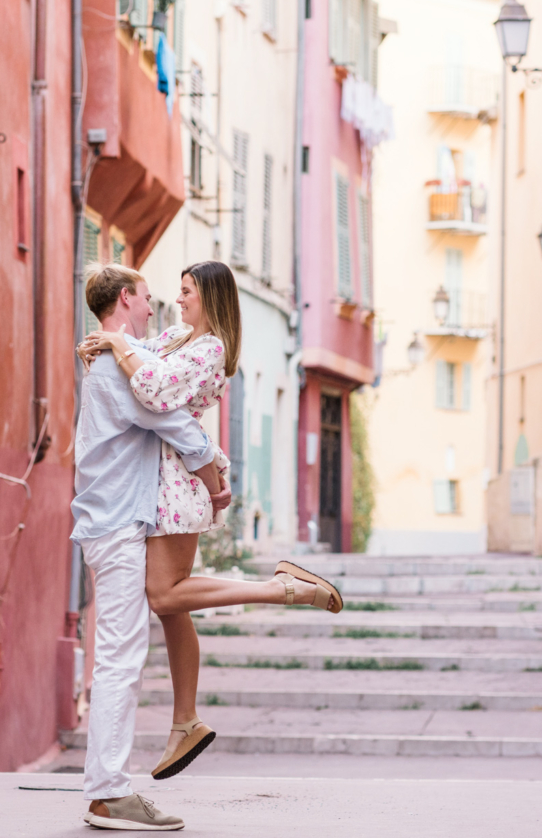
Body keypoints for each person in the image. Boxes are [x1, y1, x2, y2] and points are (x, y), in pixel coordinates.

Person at [79, 261, 343, 786]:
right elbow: (145, 358)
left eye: (186, 292)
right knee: (174, 608)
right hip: (158, 481)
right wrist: (112, 344)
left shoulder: (211, 349)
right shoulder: (180, 336)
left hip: (176, 482)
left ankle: (282, 589)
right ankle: (185, 721)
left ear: (210, 297)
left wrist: (114, 343)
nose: (176, 302)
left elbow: (153, 393)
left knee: (165, 596)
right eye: (174, 292)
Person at [72, 263, 229, 831]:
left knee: (122, 655)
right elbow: (172, 421)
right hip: (114, 525)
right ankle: (109, 793)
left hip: (114, 521)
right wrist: (216, 478)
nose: (153, 308)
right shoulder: (117, 364)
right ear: (125, 298)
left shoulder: (119, 355)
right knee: (119, 658)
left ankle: (109, 788)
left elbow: (168, 394)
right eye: (146, 298)